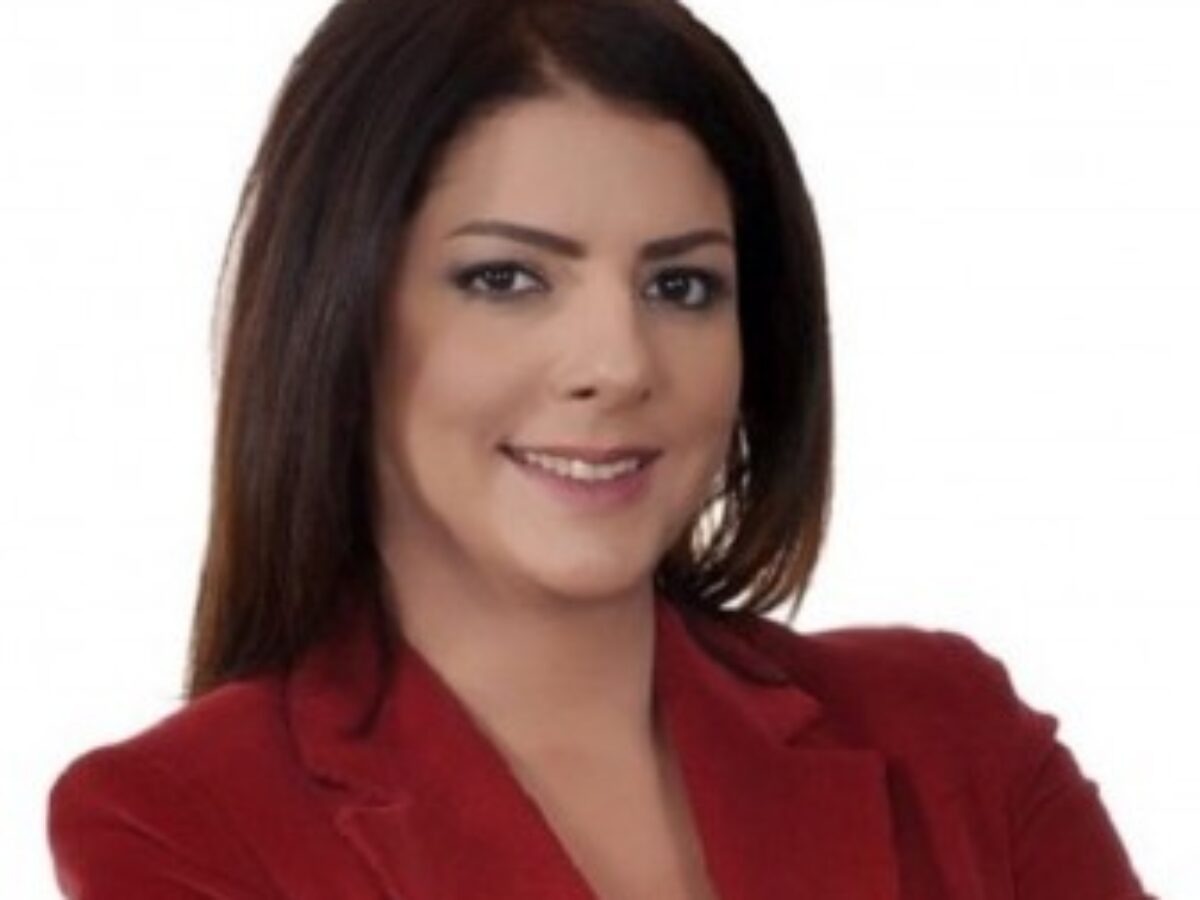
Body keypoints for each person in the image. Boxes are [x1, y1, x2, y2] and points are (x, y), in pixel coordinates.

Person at [47, 0, 1153, 897]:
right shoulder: (183, 823)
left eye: (682, 285)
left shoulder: (957, 740)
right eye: (507, 278)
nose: (619, 363)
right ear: (341, 316)